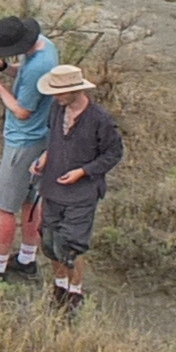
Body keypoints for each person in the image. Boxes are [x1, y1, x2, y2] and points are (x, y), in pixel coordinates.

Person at [30, 65, 122, 312]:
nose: (56, 97)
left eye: (60, 92)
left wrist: (83, 172)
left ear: (75, 90)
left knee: (70, 245)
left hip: (81, 194)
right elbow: (54, 140)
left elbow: (114, 154)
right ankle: (59, 287)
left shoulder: (99, 120)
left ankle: (75, 293)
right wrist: (45, 158)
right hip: (52, 189)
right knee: (49, 242)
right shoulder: (57, 109)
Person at [0, 16, 59, 285]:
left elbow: (23, 111)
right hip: (43, 137)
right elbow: (26, 78)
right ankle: (27, 258)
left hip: (24, 141)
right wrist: (4, 67)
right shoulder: (45, 46)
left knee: (3, 206)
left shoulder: (38, 67)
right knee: (30, 201)